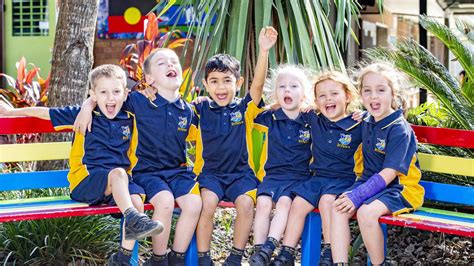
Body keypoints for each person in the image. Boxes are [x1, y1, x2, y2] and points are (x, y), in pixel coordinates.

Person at [0, 64, 163, 265]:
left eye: (116, 92)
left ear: (125, 94)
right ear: (93, 95)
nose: (110, 98)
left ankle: (122, 257)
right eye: (103, 92)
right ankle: (133, 218)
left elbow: (153, 100)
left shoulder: (130, 116)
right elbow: (46, 113)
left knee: (137, 201)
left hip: (116, 188)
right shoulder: (82, 115)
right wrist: (10, 112)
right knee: (120, 175)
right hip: (85, 182)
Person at [74, 50, 202, 266]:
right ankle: (158, 259)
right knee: (166, 202)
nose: (171, 65)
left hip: (178, 172)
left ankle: (177, 258)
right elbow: (110, 94)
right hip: (146, 173)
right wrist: (88, 105)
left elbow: (209, 133)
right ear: (150, 79)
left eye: (174, 62)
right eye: (162, 63)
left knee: (194, 203)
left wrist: (205, 103)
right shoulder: (138, 101)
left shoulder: (188, 111)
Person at [190, 27, 277, 266]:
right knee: (206, 203)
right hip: (210, 175)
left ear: (237, 83)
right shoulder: (199, 110)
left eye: (227, 81)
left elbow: (258, 87)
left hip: (241, 175)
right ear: (206, 85)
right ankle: (204, 257)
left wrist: (263, 51)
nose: (221, 87)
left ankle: (236, 256)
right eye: (214, 81)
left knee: (246, 204)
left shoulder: (243, 109)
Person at [331, 63, 424, 266]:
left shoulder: (400, 129)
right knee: (336, 207)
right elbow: (332, 117)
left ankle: (379, 264)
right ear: (361, 95)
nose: (374, 96)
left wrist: (358, 195)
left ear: (393, 93)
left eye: (381, 90)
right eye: (367, 91)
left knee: (366, 213)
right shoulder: (366, 120)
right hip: (369, 185)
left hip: (400, 188)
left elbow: (390, 173)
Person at [272, 71, 364, 266]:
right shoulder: (314, 118)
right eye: (322, 96)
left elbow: (382, 123)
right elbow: (285, 106)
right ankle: (287, 253)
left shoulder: (358, 124)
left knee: (327, 202)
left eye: (334, 94)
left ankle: (330, 250)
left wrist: (366, 114)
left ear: (347, 96)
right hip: (317, 178)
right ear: (316, 101)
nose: (328, 99)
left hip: (344, 180)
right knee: (298, 204)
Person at [248, 64, 313, 266]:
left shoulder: (311, 119)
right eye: (281, 86)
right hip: (272, 176)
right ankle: (259, 253)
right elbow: (252, 104)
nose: (287, 90)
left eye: (294, 86)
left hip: (299, 178)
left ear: (304, 94)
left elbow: (335, 114)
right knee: (264, 204)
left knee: (285, 203)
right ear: (275, 93)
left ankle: (269, 246)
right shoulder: (268, 118)